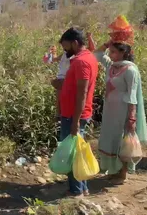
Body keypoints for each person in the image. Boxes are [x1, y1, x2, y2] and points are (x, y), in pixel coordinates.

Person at [93, 39, 147, 184]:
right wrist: (107, 43)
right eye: (110, 51)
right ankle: (113, 170)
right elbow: (97, 54)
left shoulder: (130, 70)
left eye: (113, 52)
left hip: (123, 111)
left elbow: (132, 96)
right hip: (110, 111)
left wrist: (131, 118)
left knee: (122, 140)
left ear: (123, 53)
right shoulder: (111, 66)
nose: (109, 54)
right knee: (110, 137)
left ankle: (122, 173)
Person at [58, 27, 98, 197]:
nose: (65, 50)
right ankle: (83, 187)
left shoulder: (82, 62)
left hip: (74, 116)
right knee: (77, 151)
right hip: (72, 114)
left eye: (66, 46)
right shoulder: (84, 58)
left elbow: (82, 93)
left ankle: (76, 192)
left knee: (72, 153)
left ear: (75, 43)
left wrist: (75, 122)